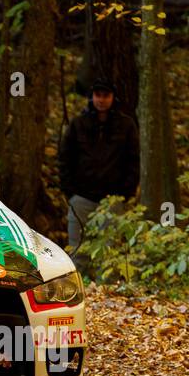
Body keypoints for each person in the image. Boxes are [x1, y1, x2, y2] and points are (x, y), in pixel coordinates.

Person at [59, 77, 139, 251]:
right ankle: (80, 279)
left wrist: (126, 193)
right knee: (78, 251)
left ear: (113, 98)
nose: (101, 100)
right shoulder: (78, 124)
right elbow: (65, 157)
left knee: (108, 253)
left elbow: (133, 160)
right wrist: (69, 191)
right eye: (98, 95)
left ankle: (105, 281)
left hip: (112, 200)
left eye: (106, 95)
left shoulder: (126, 125)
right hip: (81, 197)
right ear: (92, 97)